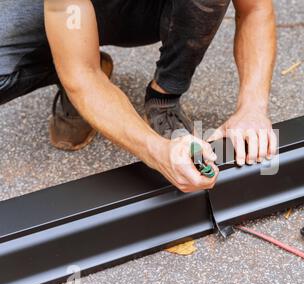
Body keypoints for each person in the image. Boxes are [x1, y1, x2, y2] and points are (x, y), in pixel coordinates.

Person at [0, 0, 277, 192]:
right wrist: (155, 150)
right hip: (71, 12)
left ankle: (163, 97)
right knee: (71, 66)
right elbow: (83, 75)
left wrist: (252, 108)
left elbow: (255, 10)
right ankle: (71, 56)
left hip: (151, 10)